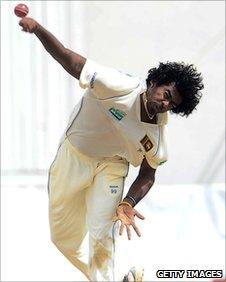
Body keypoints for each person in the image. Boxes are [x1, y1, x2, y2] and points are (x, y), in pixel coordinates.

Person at [18, 17, 204, 282]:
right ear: (153, 82)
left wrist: (129, 202)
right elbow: (70, 61)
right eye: (166, 94)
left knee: (101, 234)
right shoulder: (118, 85)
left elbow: (148, 174)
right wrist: (37, 29)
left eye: (172, 104)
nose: (165, 104)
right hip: (75, 156)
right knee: (62, 238)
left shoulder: (157, 137)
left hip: (113, 167)